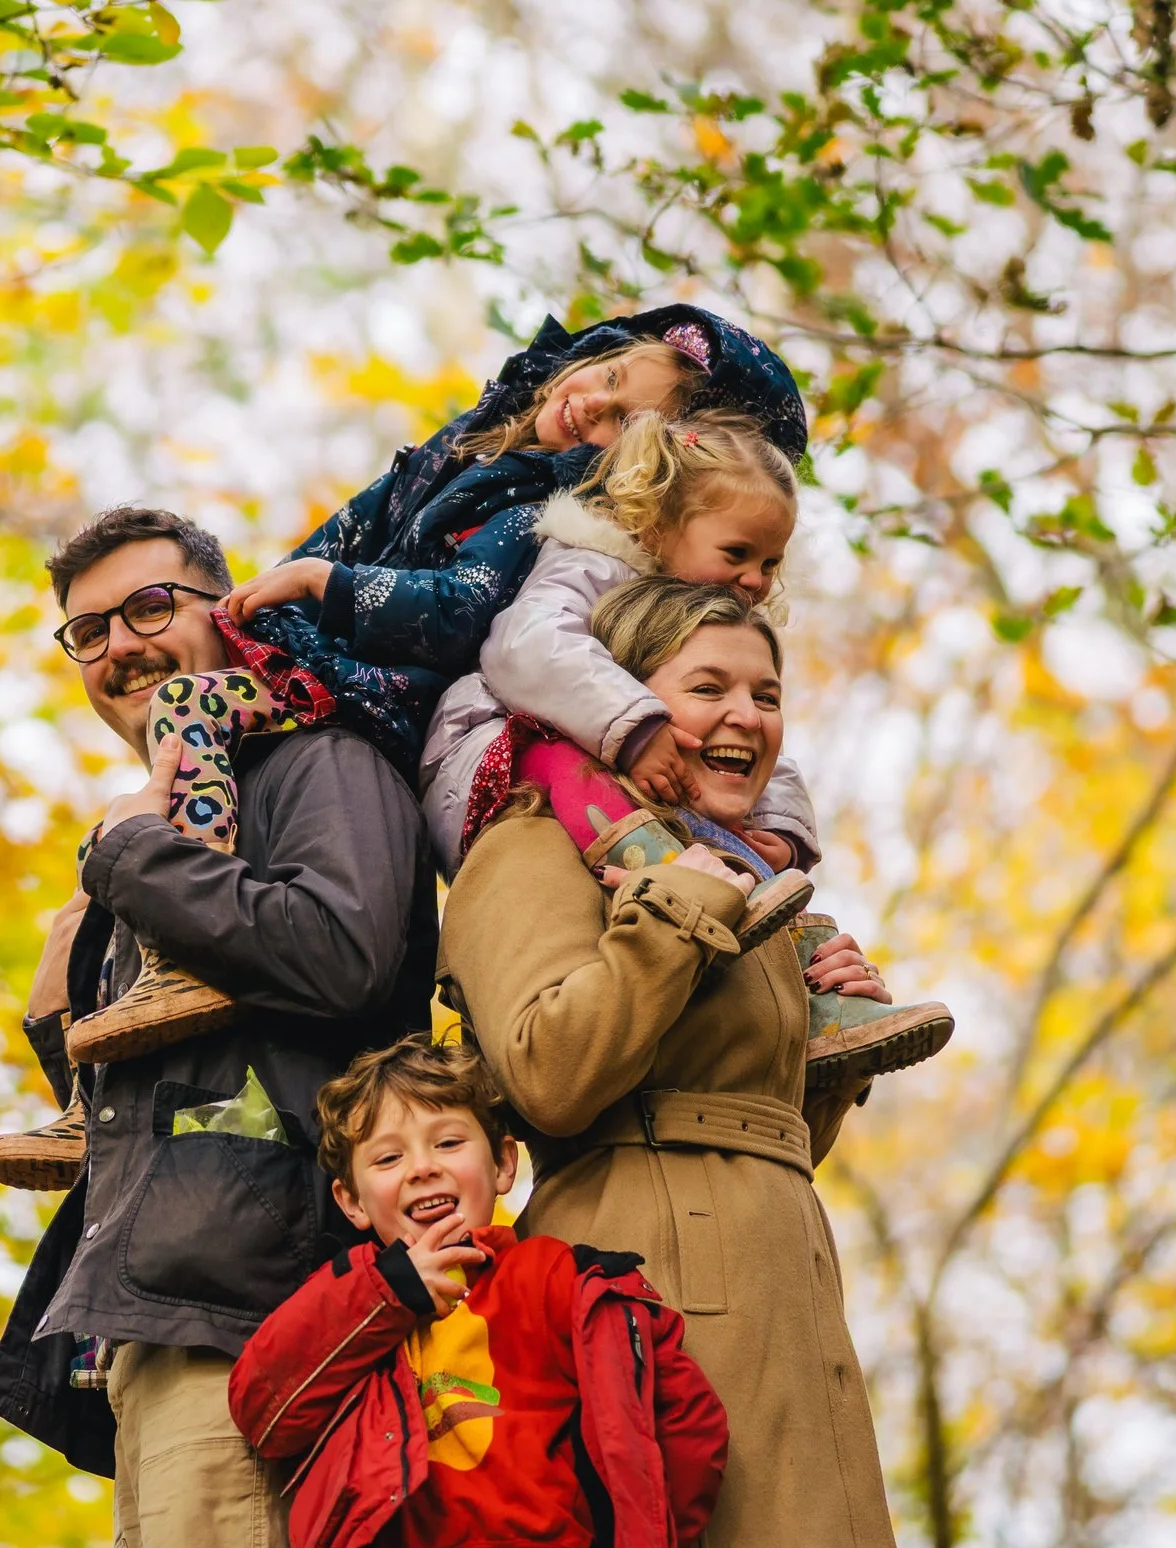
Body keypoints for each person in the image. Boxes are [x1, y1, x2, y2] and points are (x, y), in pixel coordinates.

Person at [71, 306, 810, 1058]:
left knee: (188, 705)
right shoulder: (475, 451)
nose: (593, 402)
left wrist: (321, 583)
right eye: (610, 375)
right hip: (330, 662)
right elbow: (366, 520)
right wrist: (280, 602)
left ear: (643, 468)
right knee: (113, 851)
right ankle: (91, 1013)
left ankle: (173, 951)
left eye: (620, 423)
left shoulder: (539, 514)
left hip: (365, 686)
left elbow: (463, 613)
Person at [0, 506, 439, 1548]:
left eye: (149, 607)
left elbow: (339, 952)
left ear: (225, 615)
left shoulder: (316, 759)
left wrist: (131, 860)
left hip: (257, 1318)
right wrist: (69, 971)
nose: (120, 645)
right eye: (86, 630)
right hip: (154, 1330)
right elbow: (154, 1081)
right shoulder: (162, 826)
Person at [437, 577, 918, 1548]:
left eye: (765, 691)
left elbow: (750, 1131)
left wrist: (832, 1055)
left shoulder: (750, 874)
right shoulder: (530, 849)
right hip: (648, 1339)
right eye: (706, 686)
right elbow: (551, 1073)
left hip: (789, 1345)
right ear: (623, 701)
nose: (744, 715)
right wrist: (683, 914)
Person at [422, 414, 951, 1082]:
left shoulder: (708, 625)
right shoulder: (594, 561)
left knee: (736, 843)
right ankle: (659, 863)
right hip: (499, 739)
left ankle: (822, 998)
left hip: (609, 757)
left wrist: (782, 833)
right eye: (737, 555)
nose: (755, 580)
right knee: (565, 750)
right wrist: (638, 725)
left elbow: (767, 1131)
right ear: (661, 524)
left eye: (769, 563)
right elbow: (527, 650)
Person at [227, 1037, 727, 1548]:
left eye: (448, 1142)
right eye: (386, 1158)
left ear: (504, 1165)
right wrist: (392, 1290)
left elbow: (688, 1423)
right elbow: (261, 1403)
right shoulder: (346, 1301)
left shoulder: (553, 1276)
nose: (421, 1168)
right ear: (351, 1202)